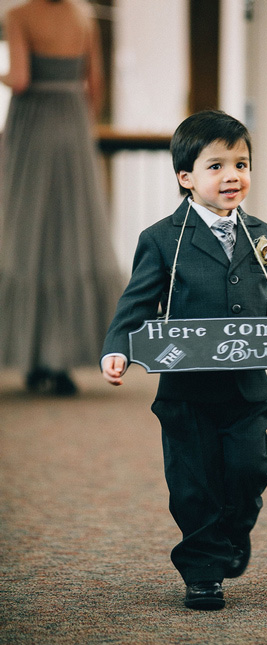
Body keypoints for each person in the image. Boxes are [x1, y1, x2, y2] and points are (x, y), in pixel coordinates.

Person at [101, 110, 267, 610]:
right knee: (193, 484)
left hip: (246, 390)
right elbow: (136, 303)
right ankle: (202, 572)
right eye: (216, 166)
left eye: (241, 164)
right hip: (186, 392)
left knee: (249, 471)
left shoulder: (263, 236)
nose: (232, 176)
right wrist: (118, 349)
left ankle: (229, 534)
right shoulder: (161, 240)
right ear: (186, 177)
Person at [0, 0, 122, 395]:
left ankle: (34, 359)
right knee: (72, 236)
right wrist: (80, 127)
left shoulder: (17, 16)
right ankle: (62, 361)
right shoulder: (83, 15)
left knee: (27, 233)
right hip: (72, 125)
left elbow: (19, 78)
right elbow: (96, 83)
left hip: (33, 125)